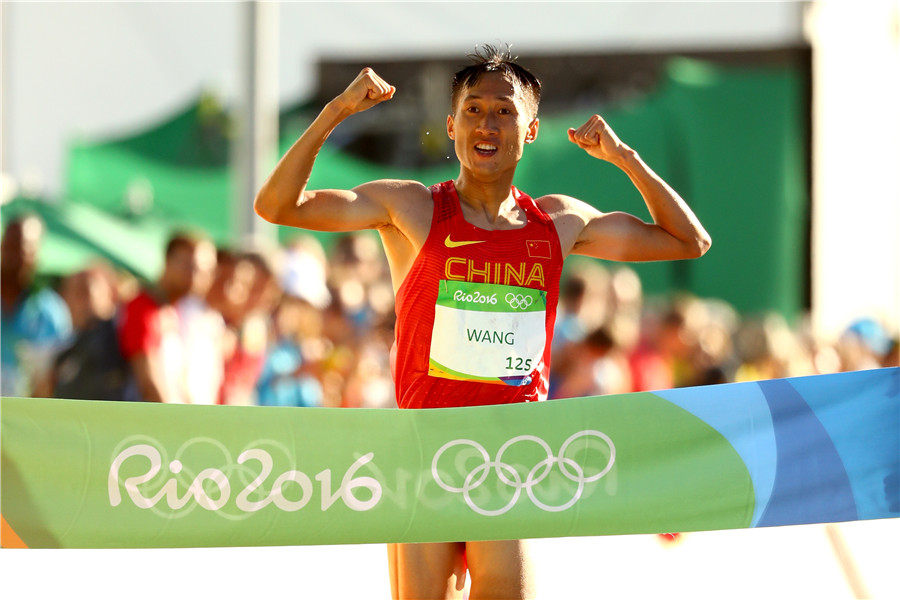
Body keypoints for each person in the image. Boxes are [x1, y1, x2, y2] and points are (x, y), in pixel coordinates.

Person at [254, 44, 711, 600]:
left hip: (513, 459)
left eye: (504, 111)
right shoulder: (412, 208)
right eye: (472, 110)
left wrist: (623, 157)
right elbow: (280, 207)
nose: (486, 123)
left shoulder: (559, 222)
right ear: (450, 126)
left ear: (532, 129)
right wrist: (335, 113)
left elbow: (689, 241)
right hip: (423, 456)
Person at [117, 231, 216, 403]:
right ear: (168, 261)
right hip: (145, 425)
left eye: (206, 270)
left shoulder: (171, 310)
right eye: (190, 266)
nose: (198, 276)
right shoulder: (143, 307)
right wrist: (174, 426)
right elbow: (148, 382)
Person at [0, 214, 72, 397]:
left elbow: (60, 377)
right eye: (11, 244)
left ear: (36, 254)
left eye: (24, 247)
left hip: (25, 419)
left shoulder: (50, 312)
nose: (14, 256)